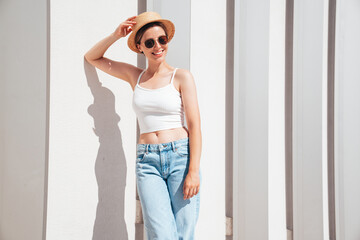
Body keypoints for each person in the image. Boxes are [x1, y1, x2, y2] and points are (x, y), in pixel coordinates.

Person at [84, 11, 202, 239]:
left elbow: (195, 126)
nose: (157, 46)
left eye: (162, 39)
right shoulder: (134, 76)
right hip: (148, 163)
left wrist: (194, 171)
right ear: (140, 47)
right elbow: (93, 57)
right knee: (160, 233)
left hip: (180, 157)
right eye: (150, 42)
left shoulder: (181, 77)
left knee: (183, 232)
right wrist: (116, 35)